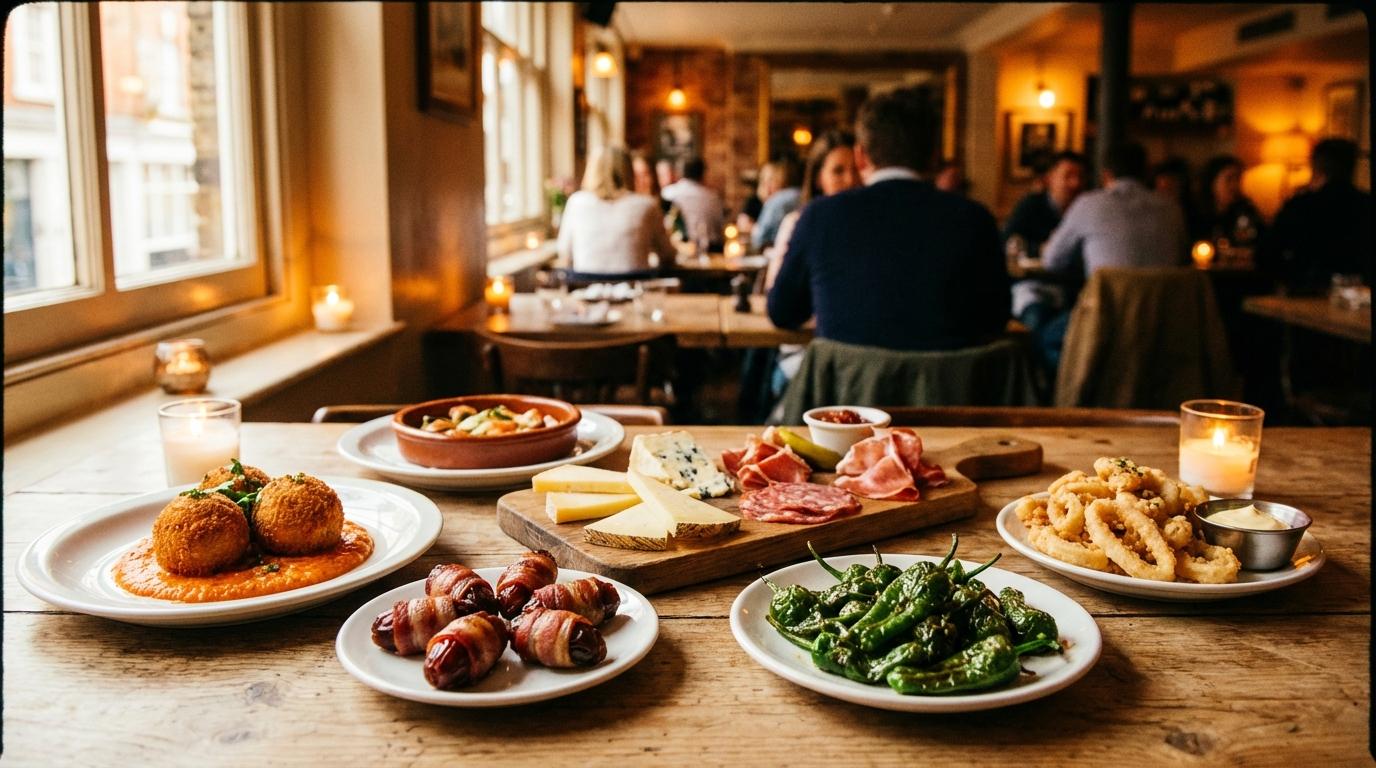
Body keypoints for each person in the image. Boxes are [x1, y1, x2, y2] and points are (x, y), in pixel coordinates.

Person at [767, 92, 1009, 351]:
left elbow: (783, 312)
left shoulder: (820, 216)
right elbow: (994, 321)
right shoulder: (975, 219)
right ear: (934, 156)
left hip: (848, 388)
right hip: (946, 390)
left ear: (860, 157)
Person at [1043, 142, 1188, 277]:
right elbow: (1183, 260)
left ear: (1106, 175)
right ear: (1146, 172)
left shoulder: (1087, 204)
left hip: (1107, 303)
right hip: (1163, 303)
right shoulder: (1171, 208)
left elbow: (1051, 260)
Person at [1002, 151, 1087, 373]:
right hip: (1035, 285)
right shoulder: (1032, 205)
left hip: (1073, 290)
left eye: (1080, 176)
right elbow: (1009, 241)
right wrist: (1038, 248)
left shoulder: (1088, 208)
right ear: (1050, 178)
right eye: (1068, 175)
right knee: (1036, 320)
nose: (1075, 183)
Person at [1261, 138, 1372, 294]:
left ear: (1315, 167)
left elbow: (1267, 253)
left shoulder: (1300, 205)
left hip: (1306, 292)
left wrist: (1288, 280)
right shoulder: (1366, 204)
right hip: (1357, 294)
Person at [557, 146, 675, 278]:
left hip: (586, 291)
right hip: (635, 292)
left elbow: (565, 254)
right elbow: (668, 256)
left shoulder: (576, 202)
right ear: (629, 171)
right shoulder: (647, 205)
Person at [1196, 154, 1264, 252]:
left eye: (1238, 179)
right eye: (1229, 179)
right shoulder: (1197, 214)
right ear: (1212, 182)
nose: (1235, 186)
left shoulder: (1246, 211)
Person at [660, 156, 726, 251]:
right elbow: (720, 225)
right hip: (712, 249)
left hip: (680, 248)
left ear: (680, 172)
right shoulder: (713, 197)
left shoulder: (668, 193)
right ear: (703, 173)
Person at [751, 156, 802, 252]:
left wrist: (753, 229)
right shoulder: (802, 195)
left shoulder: (776, 202)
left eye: (771, 180)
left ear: (783, 180)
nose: (767, 186)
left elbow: (759, 240)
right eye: (763, 180)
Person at [1150, 156, 1202, 239]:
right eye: (1162, 190)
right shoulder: (1150, 215)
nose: (1165, 196)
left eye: (1171, 188)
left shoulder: (1193, 214)